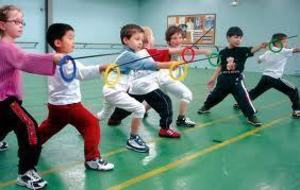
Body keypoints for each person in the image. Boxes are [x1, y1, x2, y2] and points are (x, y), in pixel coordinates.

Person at [0, 5, 64, 190]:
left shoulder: (7, 46)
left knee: (5, 124)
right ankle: (26, 172)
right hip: (6, 100)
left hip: (4, 100)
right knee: (28, 125)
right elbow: (25, 60)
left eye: (22, 22)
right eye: (16, 21)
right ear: (2, 24)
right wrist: (52, 58)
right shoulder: (6, 47)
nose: (21, 25)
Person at [38, 23, 114, 172]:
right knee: (91, 123)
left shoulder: (60, 60)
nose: (74, 41)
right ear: (58, 43)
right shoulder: (63, 62)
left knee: (50, 127)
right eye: (70, 38)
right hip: (69, 106)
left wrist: (102, 67)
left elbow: (82, 71)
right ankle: (92, 159)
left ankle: (32, 144)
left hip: (56, 105)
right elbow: (82, 73)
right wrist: (102, 67)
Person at [97, 24, 182, 150]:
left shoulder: (129, 53)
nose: (140, 43)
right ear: (126, 40)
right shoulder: (129, 55)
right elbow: (145, 64)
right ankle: (134, 139)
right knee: (140, 109)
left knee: (103, 114)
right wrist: (168, 65)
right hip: (116, 92)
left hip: (113, 90)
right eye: (137, 39)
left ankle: (88, 125)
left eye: (142, 40)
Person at [108, 26, 211, 128]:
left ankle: (114, 119)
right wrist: (204, 51)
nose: (154, 38)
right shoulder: (150, 52)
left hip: (142, 85)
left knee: (136, 103)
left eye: (180, 37)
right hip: (152, 83)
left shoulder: (135, 53)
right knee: (170, 101)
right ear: (147, 40)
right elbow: (182, 52)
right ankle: (170, 125)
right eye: (174, 38)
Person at [197, 26, 267, 127]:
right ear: (228, 38)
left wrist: (260, 46)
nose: (238, 40)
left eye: (240, 37)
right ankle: (206, 106)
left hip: (237, 80)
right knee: (215, 96)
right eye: (236, 37)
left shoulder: (243, 51)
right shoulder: (222, 53)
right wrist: (213, 78)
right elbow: (220, 66)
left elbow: (252, 50)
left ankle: (251, 116)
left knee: (244, 98)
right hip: (223, 80)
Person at [233, 33, 300, 118]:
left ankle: (240, 103)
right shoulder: (283, 51)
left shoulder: (268, 52)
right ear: (277, 43)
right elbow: (297, 50)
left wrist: (269, 52)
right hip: (275, 78)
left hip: (265, 77)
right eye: (284, 42)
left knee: (256, 92)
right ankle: (297, 111)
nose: (286, 44)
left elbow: (259, 60)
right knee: (293, 90)